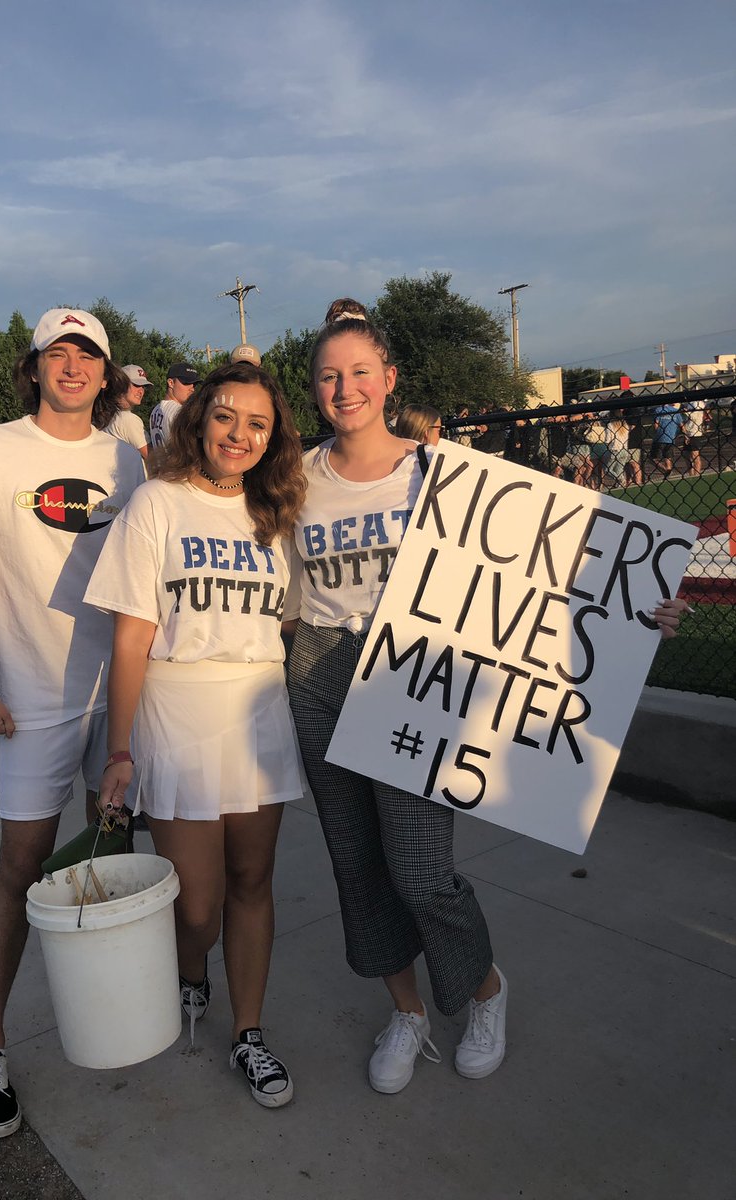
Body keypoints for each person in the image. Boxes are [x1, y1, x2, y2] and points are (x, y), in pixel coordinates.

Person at [286, 300, 686, 1097]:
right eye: (329, 375)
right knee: (357, 867)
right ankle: (405, 1013)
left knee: (420, 870)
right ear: (315, 389)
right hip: (318, 671)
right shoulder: (296, 478)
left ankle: (484, 990)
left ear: (389, 379)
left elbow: (546, 563)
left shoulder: (441, 469)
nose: (346, 387)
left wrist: (643, 607)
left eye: (361, 371)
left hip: (414, 671)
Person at [0, 308, 145, 1139]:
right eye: (59, 351)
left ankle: (110, 997)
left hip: (118, 692)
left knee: (109, 846)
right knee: (20, 865)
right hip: (32, 701)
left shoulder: (127, 458)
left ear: (107, 372)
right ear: (35, 367)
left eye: (88, 353)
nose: (74, 365)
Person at [86, 360, 306, 1108]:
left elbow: (296, 618)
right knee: (196, 904)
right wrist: (119, 752)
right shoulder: (156, 504)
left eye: (257, 423)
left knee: (252, 879)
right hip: (177, 714)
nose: (238, 434)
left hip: (259, 713)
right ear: (198, 419)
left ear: (273, 437)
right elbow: (130, 639)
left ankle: (249, 1032)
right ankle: (190, 972)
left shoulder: (278, 512)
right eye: (225, 416)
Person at [105, 364, 152, 462]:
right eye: (136, 385)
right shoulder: (128, 419)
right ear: (121, 385)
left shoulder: (106, 414)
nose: (141, 391)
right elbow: (153, 458)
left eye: (143, 386)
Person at [148, 362, 200, 449]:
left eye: (194, 384)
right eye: (186, 383)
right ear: (171, 383)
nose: (192, 389)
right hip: (179, 462)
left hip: (161, 462)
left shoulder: (155, 410)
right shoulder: (179, 411)